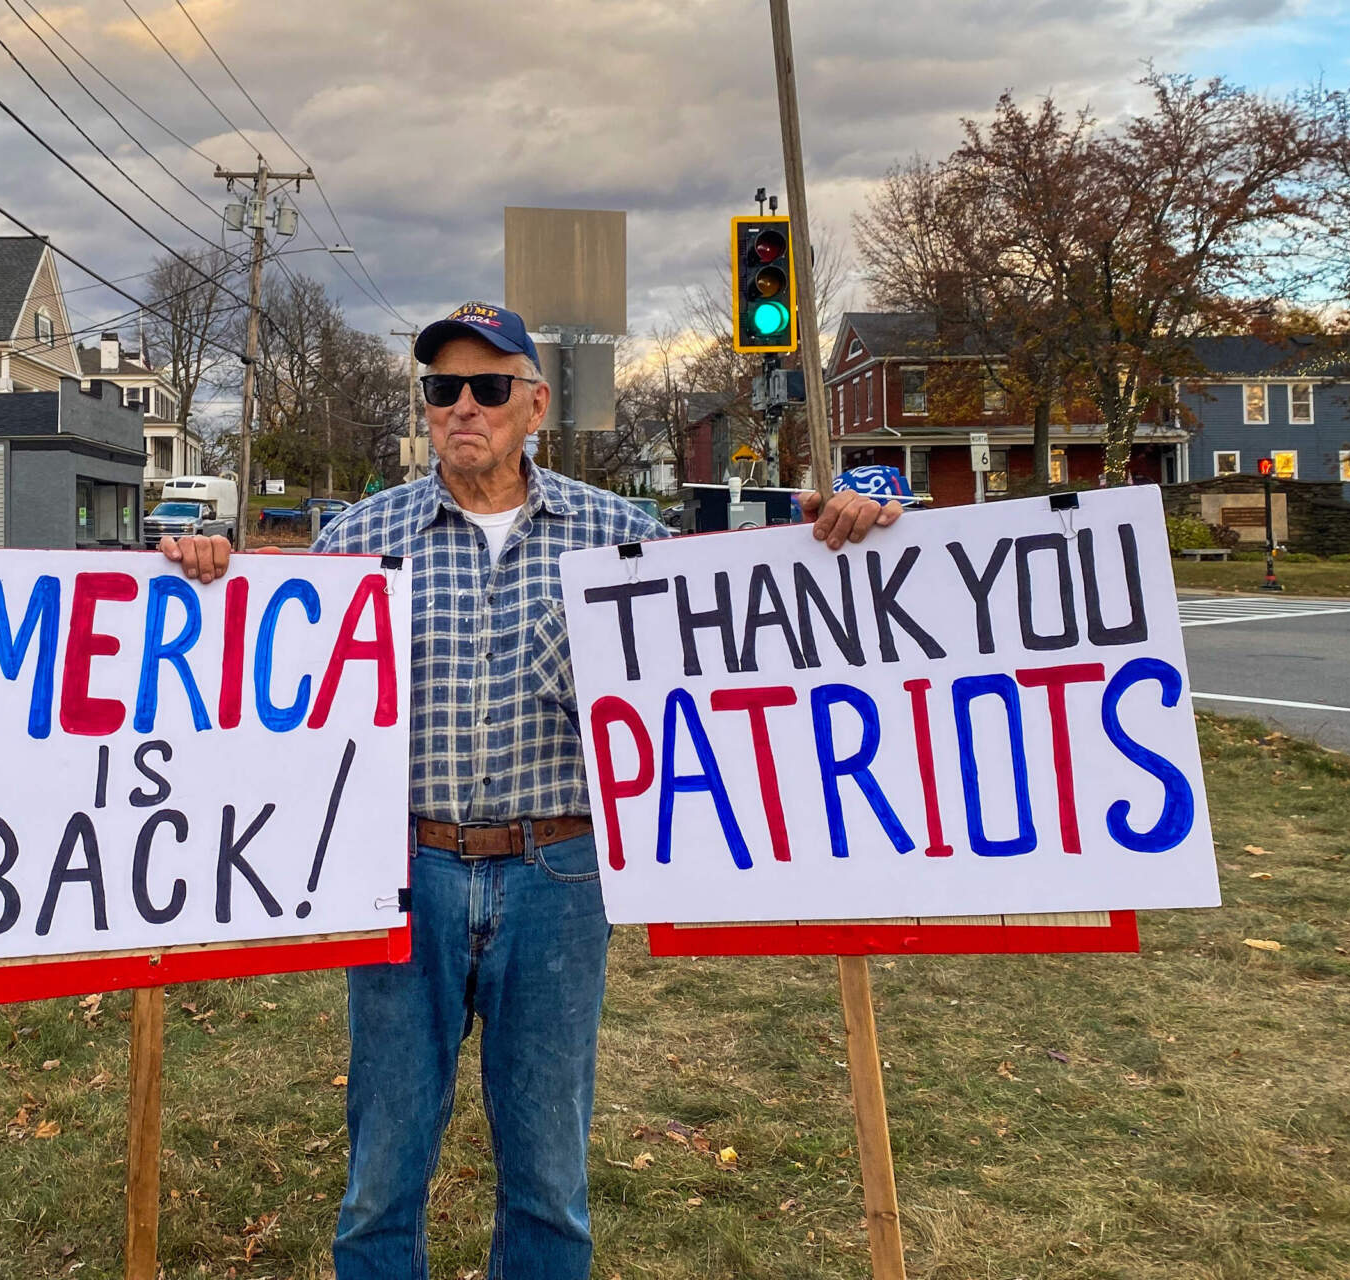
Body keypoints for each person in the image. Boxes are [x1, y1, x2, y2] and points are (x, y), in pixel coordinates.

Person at [161, 301, 900, 1279]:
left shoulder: (620, 534)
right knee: (381, 1172)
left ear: (536, 404)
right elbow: (255, 657)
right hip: (402, 875)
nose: (464, 405)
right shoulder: (357, 540)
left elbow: (750, 635)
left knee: (549, 1181)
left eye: (489, 386)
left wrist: (869, 517)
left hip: (560, 877)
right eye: (442, 388)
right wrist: (201, 575)